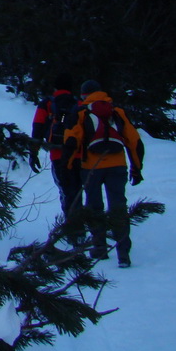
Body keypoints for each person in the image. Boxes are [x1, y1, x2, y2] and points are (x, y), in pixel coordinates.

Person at [61, 79, 145, 268]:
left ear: (83, 95)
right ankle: (123, 254)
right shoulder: (116, 111)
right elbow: (134, 141)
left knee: (94, 207)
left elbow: (72, 141)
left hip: (92, 167)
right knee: (118, 207)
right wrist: (136, 168)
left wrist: (67, 166)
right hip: (118, 165)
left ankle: (99, 248)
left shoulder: (81, 112)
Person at [29, 74, 82, 229]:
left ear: (55, 87)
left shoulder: (47, 103)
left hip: (58, 155)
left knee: (66, 192)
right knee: (77, 192)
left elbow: (37, 128)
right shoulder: (79, 103)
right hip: (78, 154)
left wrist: (33, 153)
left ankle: (72, 230)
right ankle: (79, 228)